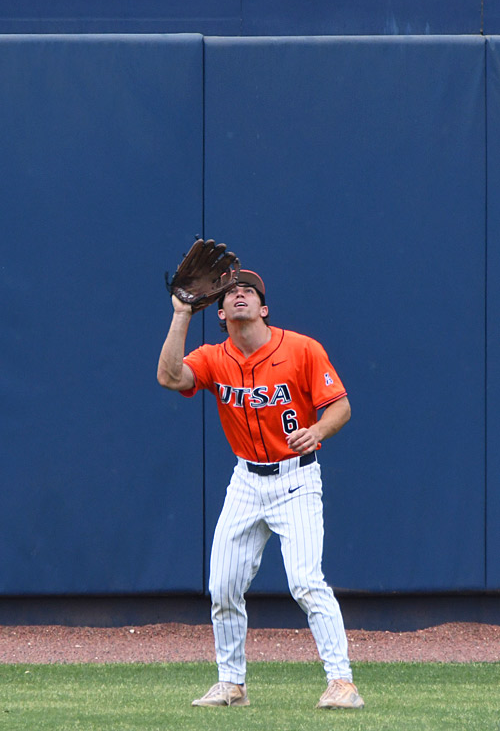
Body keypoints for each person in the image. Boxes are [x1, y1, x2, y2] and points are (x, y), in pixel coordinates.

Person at [157, 269, 364, 710]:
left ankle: (342, 682)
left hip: (297, 477)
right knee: (223, 583)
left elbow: (340, 406)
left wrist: (318, 429)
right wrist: (180, 314)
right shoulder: (214, 357)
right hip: (246, 481)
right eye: (230, 293)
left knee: (306, 582)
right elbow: (170, 377)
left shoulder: (302, 349)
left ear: (263, 308)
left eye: (248, 291)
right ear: (220, 312)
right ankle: (232, 684)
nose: (239, 295)